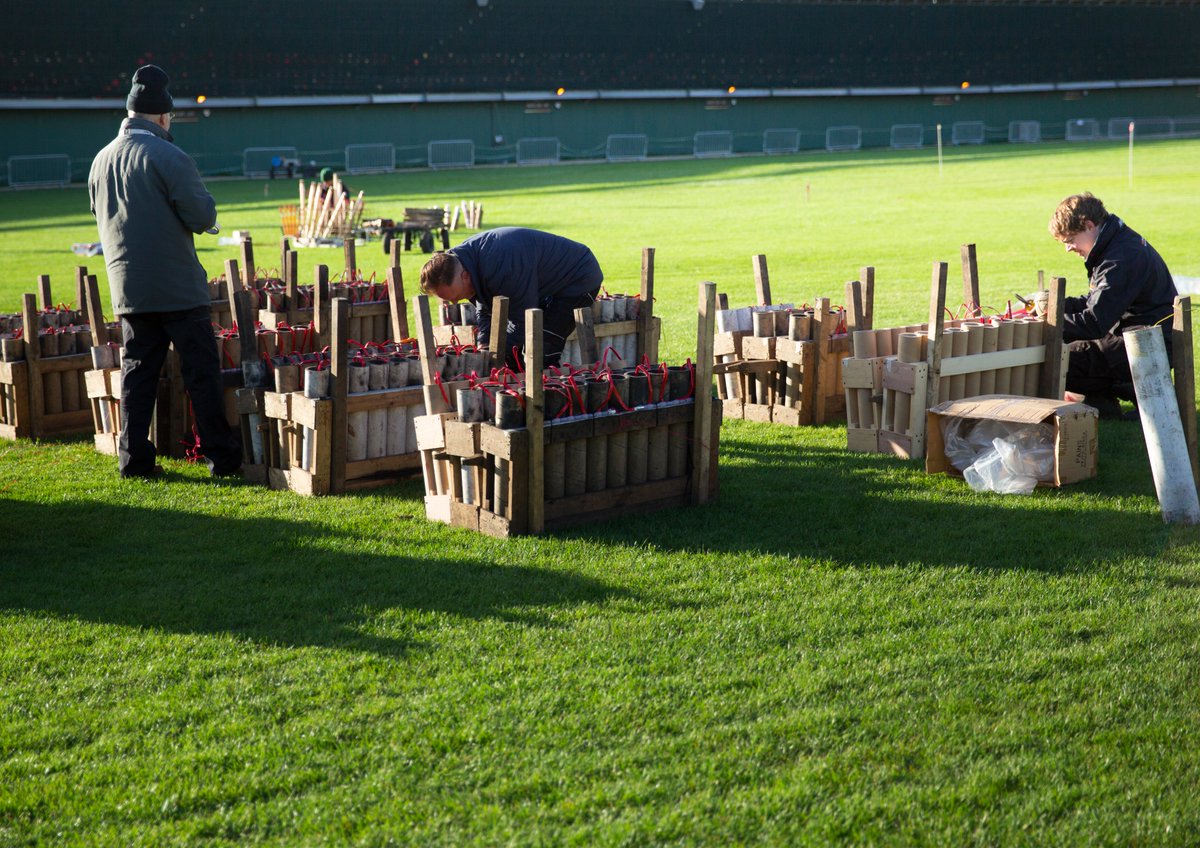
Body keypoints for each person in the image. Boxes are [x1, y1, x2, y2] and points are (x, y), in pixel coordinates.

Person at [88, 64, 242, 479]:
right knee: (201, 375)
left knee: (137, 377)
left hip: (128, 289)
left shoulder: (100, 160)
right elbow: (201, 215)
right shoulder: (169, 155)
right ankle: (221, 457)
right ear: (162, 116)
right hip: (177, 287)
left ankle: (134, 460)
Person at [1048, 192, 1177, 419]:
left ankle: (1123, 386)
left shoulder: (1119, 258)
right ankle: (1104, 399)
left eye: (1070, 240)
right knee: (1069, 347)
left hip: (1146, 346)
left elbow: (1094, 323)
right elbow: (1096, 301)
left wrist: (1048, 322)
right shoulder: (1116, 242)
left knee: (1057, 359)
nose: (1068, 248)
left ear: (1089, 225)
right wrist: (1055, 305)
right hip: (1137, 335)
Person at [419, 227, 603, 368]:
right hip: (543, 284)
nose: (454, 302)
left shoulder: (502, 266)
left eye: (457, 297)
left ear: (465, 276)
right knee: (515, 355)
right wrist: (485, 343)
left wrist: (494, 354)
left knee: (539, 352)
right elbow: (486, 307)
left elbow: (523, 320)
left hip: (578, 278)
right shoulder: (463, 262)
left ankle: (549, 400)